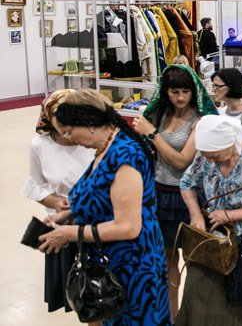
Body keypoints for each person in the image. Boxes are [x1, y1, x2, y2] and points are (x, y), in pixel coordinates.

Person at [39, 89, 171, 325]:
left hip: (133, 265)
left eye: (69, 131)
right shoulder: (105, 149)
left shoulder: (125, 155)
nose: (69, 139)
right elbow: (102, 197)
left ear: (89, 124)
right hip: (111, 262)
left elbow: (128, 227)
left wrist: (71, 233)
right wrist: (68, 214)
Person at [177, 115, 242, 326]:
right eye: (207, 156)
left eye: (215, 156)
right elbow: (187, 183)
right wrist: (196, 215)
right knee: (201, 295)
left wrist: (228, 215)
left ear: (229, 144)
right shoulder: (205, 156)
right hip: (214, 244)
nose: (210, 161)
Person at [132, 64, 217, 318]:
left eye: (185, 92)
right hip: (160, 194)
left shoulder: (199, 120)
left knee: (194, 260)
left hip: (189, 197)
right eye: (174, 92)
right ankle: (172, 314)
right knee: (167, 258)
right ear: (165, 92)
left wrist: (152, 134)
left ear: (194, 92)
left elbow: (181, 161)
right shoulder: (161, 114)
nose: (180, 98)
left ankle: (194, 315)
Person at [22, 90, 95, 317]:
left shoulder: (91, 141)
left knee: (102, 295)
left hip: (96, 226)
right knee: (80, 299)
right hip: (62, 229)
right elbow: (35, 184)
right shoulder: (40, 145)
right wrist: (55, 201)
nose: (68, 126)